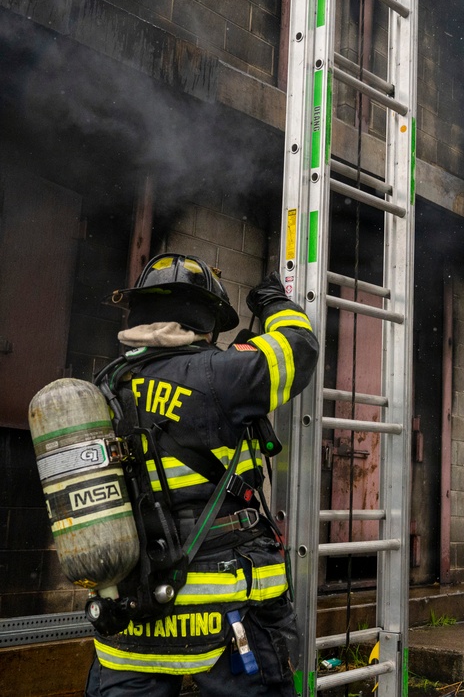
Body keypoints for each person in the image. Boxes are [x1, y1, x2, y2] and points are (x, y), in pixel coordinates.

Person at [85, 253, 318, 697]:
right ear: (206, 318)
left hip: (129, 622)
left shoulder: (103, 387)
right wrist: (273, 301)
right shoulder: (218, 374)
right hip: (228, 620)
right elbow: (297, 349)